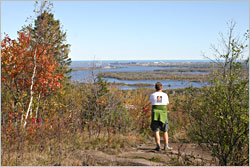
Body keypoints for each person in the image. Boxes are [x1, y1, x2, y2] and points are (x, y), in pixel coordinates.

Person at [149, 82, 172, 151]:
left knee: (156, 130)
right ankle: (166, 146)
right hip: (163, 114)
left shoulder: (152, 95)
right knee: (165, 130)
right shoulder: (165, 95)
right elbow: (167, 103)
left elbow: (151, 102)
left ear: (155, 88)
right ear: (161, 87)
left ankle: (158, 146)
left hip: (155, 114)